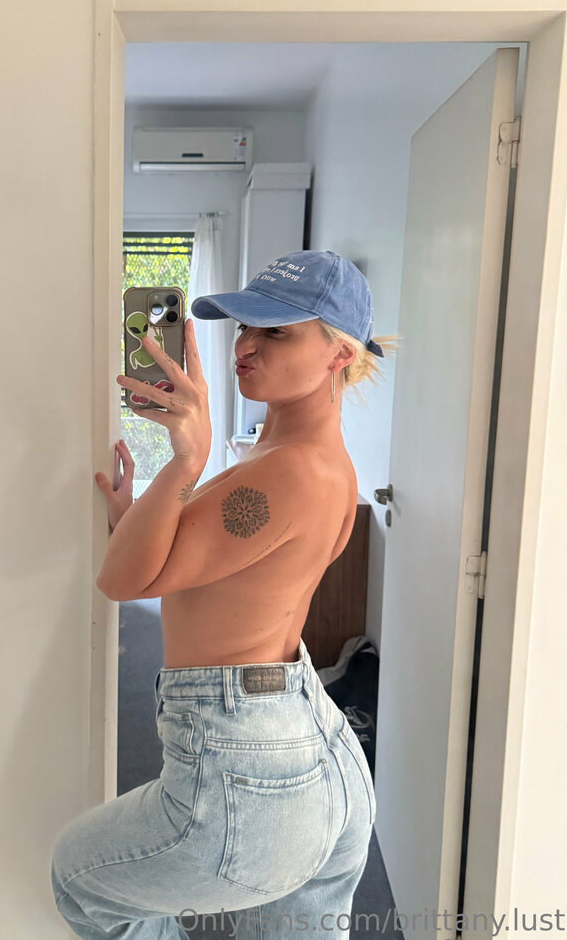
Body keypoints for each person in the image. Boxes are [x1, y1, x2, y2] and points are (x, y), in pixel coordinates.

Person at [50, 250, 395, 940]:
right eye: (245, 327)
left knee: (79, 880)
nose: (245, 347)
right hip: (309, 745)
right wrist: (140, 517)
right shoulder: (301, 458)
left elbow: (123, 581)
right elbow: (197, 563)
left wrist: (185, 459)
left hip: (253, 762)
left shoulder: (287, 473)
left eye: (277, 332)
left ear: (338, 354)